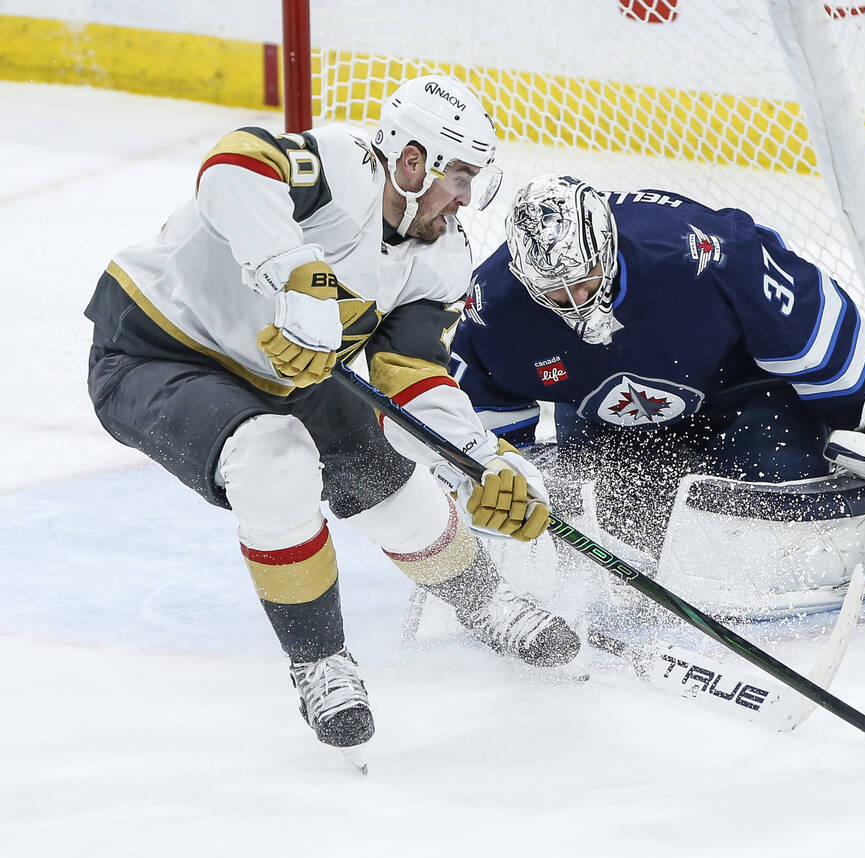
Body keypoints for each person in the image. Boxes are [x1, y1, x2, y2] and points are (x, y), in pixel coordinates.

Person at [84, 77, 579, 756]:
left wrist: (478, 461)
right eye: (458, 176)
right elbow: (232, 165)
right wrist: (294, 273)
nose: (466, 197)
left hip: (293, 369)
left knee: (393, 483)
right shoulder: (342, 165)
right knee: (275, 458)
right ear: (412, 162)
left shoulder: (442, 254)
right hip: (157, 347)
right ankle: (319, 661)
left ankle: (485, 601)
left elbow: (414, 376)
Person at [449, 175, 865, 615]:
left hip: (742, 395)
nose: (575, 302)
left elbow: (813, 331)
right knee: (606, 528)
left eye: (586, 279)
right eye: (554, 290)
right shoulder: (495, 310)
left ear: (611, 246)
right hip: (608, 425)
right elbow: (486, 426)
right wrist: (497, 476)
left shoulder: (704, 253)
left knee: (793, 490)